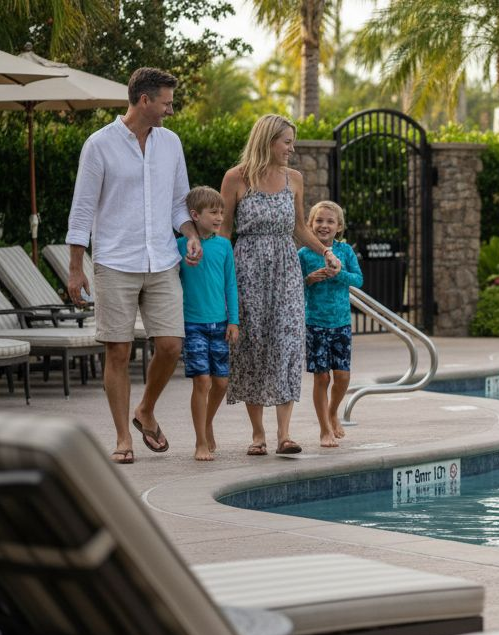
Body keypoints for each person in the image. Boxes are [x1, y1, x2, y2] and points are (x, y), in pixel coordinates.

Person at [66, 67, 202, 465]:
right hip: (114, 260)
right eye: (166, 103)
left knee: (171, 345)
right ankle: (124, 437)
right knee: (119, 352)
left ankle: (145, 410)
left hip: (161, 258)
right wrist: (77, 268)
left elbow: (180, 202)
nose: (170, 110)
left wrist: (191, 234)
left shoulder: (171, 143)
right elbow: (82, 209)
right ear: (145, 101)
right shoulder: (99, 145)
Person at [220, 114, 338, 456]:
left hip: (286, 269)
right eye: (287, 141)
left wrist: (325, 251)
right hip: (248, 269)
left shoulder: (294, 179)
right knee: (253, 346)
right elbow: (225, 231)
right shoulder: (236, 178)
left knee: (287, 345)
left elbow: (300, 228)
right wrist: (220, 278)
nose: (291, 148)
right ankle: (258, 435)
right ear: (268, 140)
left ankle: (285, 434)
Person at [176, 186, 239, 461]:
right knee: (201, 380)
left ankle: (207, 422)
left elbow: (231, 286)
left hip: (220, 323)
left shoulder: (224, 245)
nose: (219, 217)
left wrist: (234, 321)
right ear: (194, 215)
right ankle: (200, 441)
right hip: (192, 324)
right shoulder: (179, 247)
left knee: (222, 383)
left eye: (222, 212)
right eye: (213, 212)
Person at [298, 200, 362, 448]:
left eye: (330, 221)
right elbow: (294, 285)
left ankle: (333, 411)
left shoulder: (344, 252)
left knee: (343, 376)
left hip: (341, 323)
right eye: (319, 221)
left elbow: (358, 279)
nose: (324, 225)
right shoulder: (304, 254)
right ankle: (324, 428)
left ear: (339, 227)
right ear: (310, 225)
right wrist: (308, 279)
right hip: (315, 323)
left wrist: (340, 274)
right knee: (321, 377)